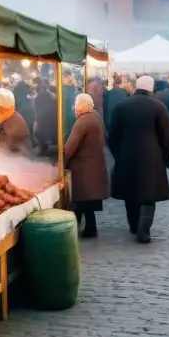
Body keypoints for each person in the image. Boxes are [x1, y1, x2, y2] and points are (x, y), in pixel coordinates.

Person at [107, 75, 169, 244]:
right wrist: (167, 157)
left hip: (126, 156)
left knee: (130, 194)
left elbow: (112, 136)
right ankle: (144, 230)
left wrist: (118, 154)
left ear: (136, 87)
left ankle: (133, 225)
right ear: (151, 89)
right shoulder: (158, 107)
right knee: (148, 194)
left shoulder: (121, 106)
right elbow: (167, 137)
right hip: (152, 158)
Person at [64, 93, 109, 238]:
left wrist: (62, 163)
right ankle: (90, 228)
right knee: (85, 201)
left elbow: (70, 148)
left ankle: (74, 230)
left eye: (76, 107)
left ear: (82, 107)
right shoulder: (95, 117)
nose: (75, 109)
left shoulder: (82, 122)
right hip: (93, 166)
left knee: (81, 200)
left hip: (84, 169)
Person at [0, 88, 30, 155]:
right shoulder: (2, 112)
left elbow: (11, 134)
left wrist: (5, 152)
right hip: (12, 136)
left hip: (19, 137)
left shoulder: (13, 117)